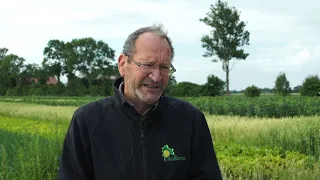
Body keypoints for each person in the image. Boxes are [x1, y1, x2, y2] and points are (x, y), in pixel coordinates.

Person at [57, 23, 222, 180]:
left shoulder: (190, 119)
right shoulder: (87, 121)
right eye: (147, 65)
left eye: (164, 67)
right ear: (123, 65)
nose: (156, 77)